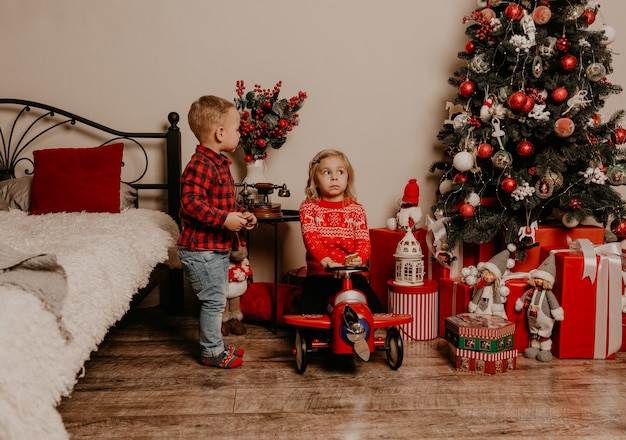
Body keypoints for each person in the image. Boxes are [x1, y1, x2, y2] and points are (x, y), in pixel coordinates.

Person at [177, 95, 257, 369]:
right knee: (213, 303)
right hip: (201, 250)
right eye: (236, 129)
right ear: (220, 133)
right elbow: (191, 203)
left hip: (215, 249)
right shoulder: (200, 165)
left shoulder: (219, 164)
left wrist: (241, 215)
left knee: (216, 298)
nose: (239, 133)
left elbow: (222, 203)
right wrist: (224, 219)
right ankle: (211, 351)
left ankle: (216, 345)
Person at [298, 149, 384, 315]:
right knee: (307, 314)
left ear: (348, 178)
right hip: (320, 275)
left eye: (340, 172)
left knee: (375, 309)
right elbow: (311, 239)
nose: (334, 177)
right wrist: (327, 261)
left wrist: (359, 257)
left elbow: (363, 242)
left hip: (350, 275)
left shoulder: (356, 210)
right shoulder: (309, 207)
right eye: (326, 172)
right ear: (315, 180)